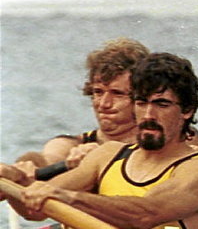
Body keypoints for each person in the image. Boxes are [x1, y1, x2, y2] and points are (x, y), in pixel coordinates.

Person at [0, 53, 198, 229]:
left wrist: (69, 197)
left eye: (161, 104)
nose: (148, 115)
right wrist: (14, 180)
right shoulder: (109, 155)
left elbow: (144, 215)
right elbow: (35, 209)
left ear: (187, 110)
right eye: (141, 102)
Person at [16, 38, 152, 170]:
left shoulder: (157, 150)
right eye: (98, 92)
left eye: (117, 93)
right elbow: (47, 159)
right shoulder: (69, 145)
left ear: (142, 98)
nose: (103, 104)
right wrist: (22, 169)